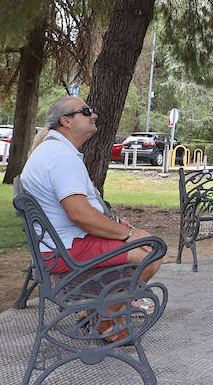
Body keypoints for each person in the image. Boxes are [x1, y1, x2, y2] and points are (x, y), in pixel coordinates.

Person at [18, 96, 164, 332]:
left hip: (58, 245)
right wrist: (126, 234)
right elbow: (80, 215)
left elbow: (81, 213)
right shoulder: (61, 157)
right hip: (67, 250)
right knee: (151, 251)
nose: (93, 115)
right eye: (86, 112)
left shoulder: (53, 150)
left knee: (144, 241)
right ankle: (105, 321)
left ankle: (95, 313)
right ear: (66, 121)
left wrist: (115, 228)